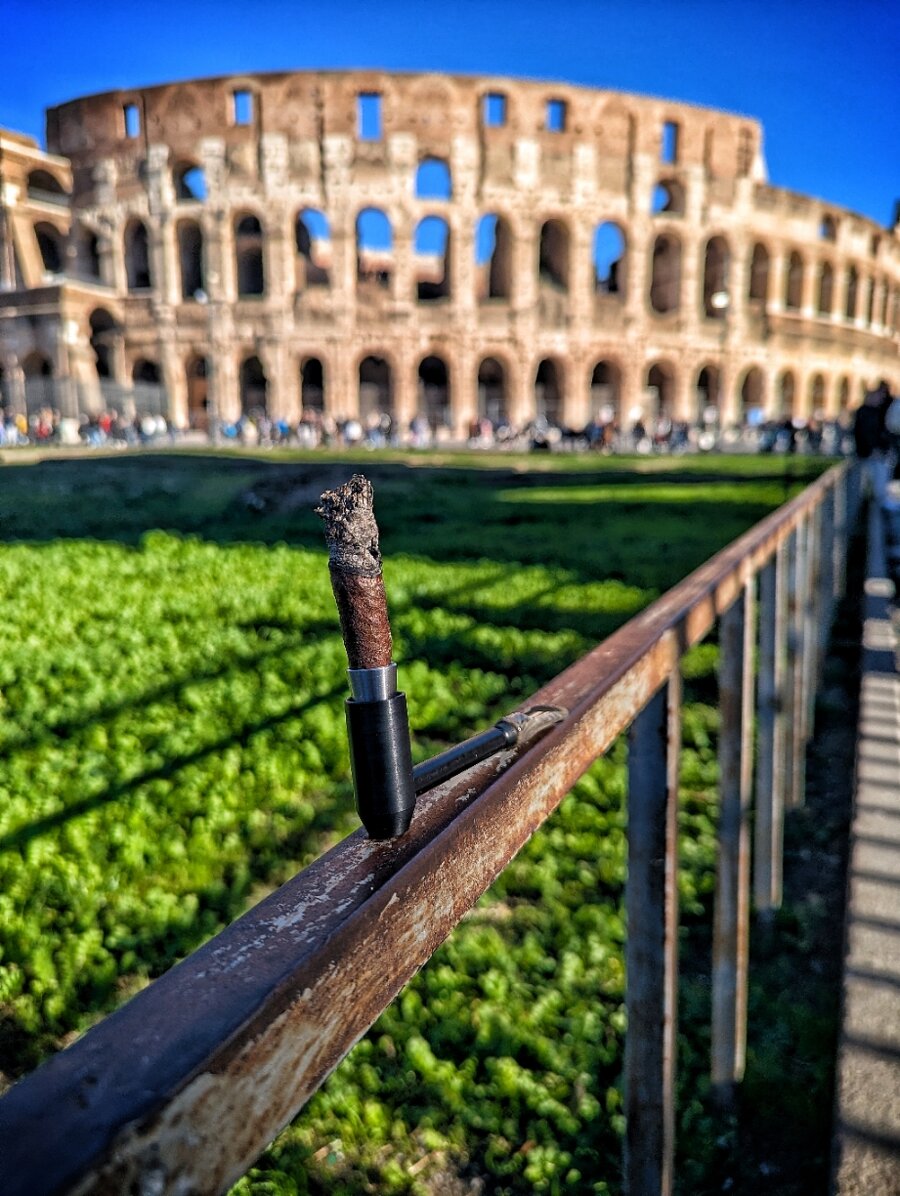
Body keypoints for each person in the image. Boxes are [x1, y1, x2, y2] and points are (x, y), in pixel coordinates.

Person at [853, 380, 893, 505]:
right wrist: (872, 450)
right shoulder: (865, 412)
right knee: (874, 488)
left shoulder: (876, 411)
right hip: (870, 455)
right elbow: (865, 434)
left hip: (875, 453)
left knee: (877, 486)